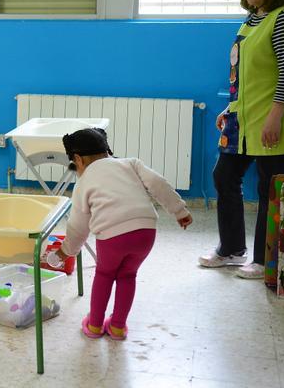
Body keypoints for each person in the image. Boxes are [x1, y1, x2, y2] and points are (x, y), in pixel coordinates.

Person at [198, 0, 284, 280]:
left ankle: (265, 261)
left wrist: (275, 116)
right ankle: (232, 249)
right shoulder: (253, 19)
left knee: (268, 189)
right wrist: (231, 107)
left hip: (272, 120)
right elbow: (246, 75)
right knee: (224, 176)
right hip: (243, 120)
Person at [54, 128, 192, 340]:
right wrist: (179, 211)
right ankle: (118, 326)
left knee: (104, 275)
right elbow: (158, 184)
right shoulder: (130, 163)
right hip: (146, 231)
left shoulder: (84, 181)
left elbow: (78, 224)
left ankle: (95, 325)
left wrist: (67, 251)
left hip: (112, 236)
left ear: (78, 159)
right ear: (107, 151)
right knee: (128, 275)